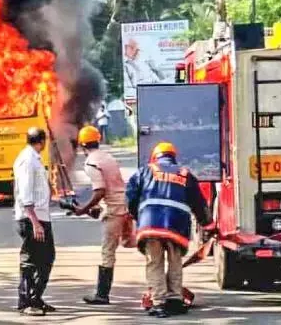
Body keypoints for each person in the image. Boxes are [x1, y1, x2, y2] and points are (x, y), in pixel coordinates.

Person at [126, 142, 212, 318]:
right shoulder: (185, 174)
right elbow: (199, 203)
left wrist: (138, 216)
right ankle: (174, 299)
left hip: (150, 225)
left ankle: (158, 303)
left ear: (155, 157)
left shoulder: (145, 171)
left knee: (155, 263)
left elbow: (130, 196)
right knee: (175, 263)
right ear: (174, 156)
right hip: (176, 226)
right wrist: (208, 225)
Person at [72, 125, 129, 305]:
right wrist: (94, 208)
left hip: (114, 210)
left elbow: (100, 191)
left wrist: (83, 208)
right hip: (124, 206)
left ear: (82, 146)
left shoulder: (91, 164)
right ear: (99, 140)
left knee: (107, 252)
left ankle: (102, 294)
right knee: (140, 246)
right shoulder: (108, 157)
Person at [13, 127, 56, 316]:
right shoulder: (28, 160)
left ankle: (34, 298)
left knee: (43, 258)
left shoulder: (33, 158)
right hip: (33, 218)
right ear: (42, 142)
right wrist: (35, 222)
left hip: (39, 216)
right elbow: (25, 193)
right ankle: (29, 301)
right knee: (34, 260)